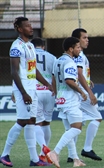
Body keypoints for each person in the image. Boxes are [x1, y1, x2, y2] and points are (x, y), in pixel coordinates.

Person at [0, 17, 53, 167]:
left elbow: (33, 69)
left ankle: (34, 159)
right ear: (19, 28)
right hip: (24, 90)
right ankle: (4, 154)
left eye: (31, 25)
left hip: (33, 89)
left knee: (31, 122)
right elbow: (14, 72)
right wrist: (23, 92)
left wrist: (47, 84)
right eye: (27, 26)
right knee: (22, 121)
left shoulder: (29, 45)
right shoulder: (16, 46)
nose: (31, 28)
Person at [43, 37, 87, 168]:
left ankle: (76, 160)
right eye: (78, 47)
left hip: (61, 98)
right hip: (70, 99)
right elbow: (69, 80)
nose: (80, 50)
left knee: (69, 129)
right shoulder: (70, 62)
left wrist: (57, 95)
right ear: (70, 49)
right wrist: (81, 91)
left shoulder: (58, 60)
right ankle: (54, 153)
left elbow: (53, 78)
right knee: (77, 128)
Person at [66, 28, 102, 162]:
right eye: (84, 38)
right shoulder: (79, 55)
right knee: (97, 117)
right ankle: (87, 149)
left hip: (76, 92)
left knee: (76, 123)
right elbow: (79, 74)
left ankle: (71, 155)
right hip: (81, 94)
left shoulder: (77, 55)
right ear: (77, 40)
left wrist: (87, 79)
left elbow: (79, 73)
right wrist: (90, 93)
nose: (87, 40)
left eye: (87, 37)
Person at [31, 37, 56, 162]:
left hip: (36, 91)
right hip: (50, 92)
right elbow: (56, 75)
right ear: (43, 46)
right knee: (46, 123)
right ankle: (43, 154)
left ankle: (43, 148)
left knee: (36, 123)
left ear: (32, 46)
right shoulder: (52, 57)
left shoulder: (30, 54)